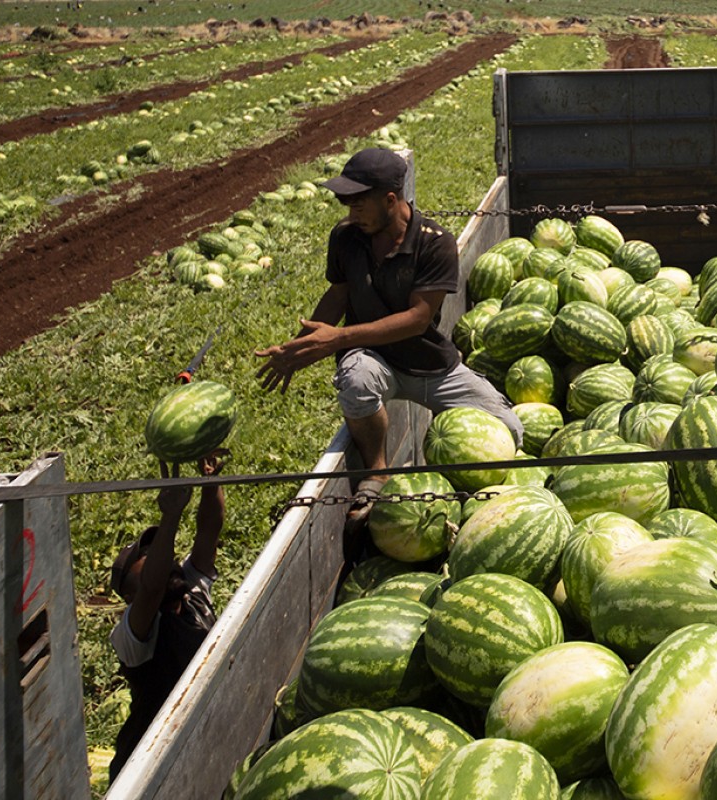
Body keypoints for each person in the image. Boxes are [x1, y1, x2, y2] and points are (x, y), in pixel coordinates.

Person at [254, 148, 522, 525]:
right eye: (347, 205)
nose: (351, 215)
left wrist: (337, 337)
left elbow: (417, 318)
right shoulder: (347, 238)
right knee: (356, 378)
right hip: (373, 359)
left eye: (359, 205)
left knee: (510, 429)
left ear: (390, 200)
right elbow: (338, 295)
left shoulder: (435, 242)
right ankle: (376, 472)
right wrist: (301, 345)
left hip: (428, 364)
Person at [108, 452, 226, 782]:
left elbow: (209, 530)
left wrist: (209, 481)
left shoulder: (191, 591)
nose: (152, 558)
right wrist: (171, 518)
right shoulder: (132, 636)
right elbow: (151, 589)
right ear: (128, 596)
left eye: (153, 552)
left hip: (199, 738)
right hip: (148, 768)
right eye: (140, 559)